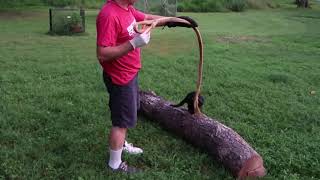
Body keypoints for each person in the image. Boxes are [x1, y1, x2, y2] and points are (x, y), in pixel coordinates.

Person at [96, 0, 197, 173]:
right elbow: (102, 54)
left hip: (130, 74)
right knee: (121, 122)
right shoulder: (109, 14)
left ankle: (122, 145)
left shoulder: (127, 8)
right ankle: (115, 164)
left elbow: (149, 18)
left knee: (126, 115)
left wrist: (176, 21)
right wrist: (133, 44)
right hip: (120, 78)